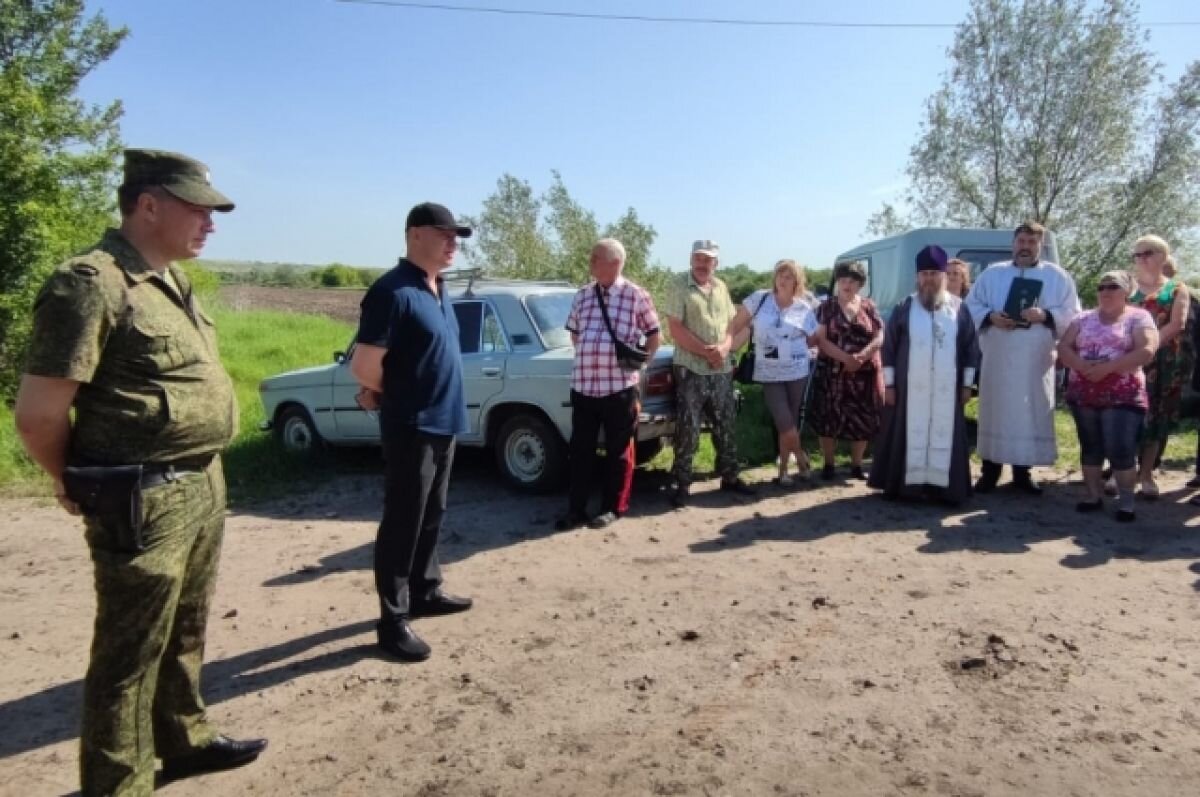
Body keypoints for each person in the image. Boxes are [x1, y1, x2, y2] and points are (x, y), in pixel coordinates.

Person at [14, 149, 266, 795]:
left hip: (200, 483)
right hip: (142, 497)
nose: (211, 222)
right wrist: (71, 479)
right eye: (198, 209)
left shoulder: (171, 280)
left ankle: (184, 740)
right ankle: (117, 784)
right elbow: (39, 415)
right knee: (129, 658)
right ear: (148, 204)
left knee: (185, 629)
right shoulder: (90, 282)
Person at [351, 202, 474, 664]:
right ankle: (392, 621)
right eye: (445, 234)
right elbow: (364, 367)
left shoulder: (438, 288)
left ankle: (426, 590)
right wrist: (396, 395)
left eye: (456, 236)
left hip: (445, 422)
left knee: (432, 514)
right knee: (403, 521)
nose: (453, 243)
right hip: (412, 426)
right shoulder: (392, 291)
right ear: (415, 234)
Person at [965, 221, 1081, 494]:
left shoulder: (1057, 276)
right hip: (999, 357)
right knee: (995, 411)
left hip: (1035, 359)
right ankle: (989, 472)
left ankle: (1022, 473)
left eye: (1032, 242)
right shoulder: (992, 274)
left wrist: (1046, 315)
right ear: (1013, 243)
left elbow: (1074, 314)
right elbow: (970, 307)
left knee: (1029, 412)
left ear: (1041, 245)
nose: (1025, 247)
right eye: (1021, 241)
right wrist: (990, 317)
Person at [556, 239, 661, 531]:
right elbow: (575, 334)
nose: (590, 263)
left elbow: (654, 335)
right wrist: (592, 355)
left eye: (595, 258)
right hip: (584, 386)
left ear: (614, 263)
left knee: (618, 451)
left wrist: (639, 370)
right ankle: (576, 509)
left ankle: (613, 507)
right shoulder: (583, 295)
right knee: (580, 451)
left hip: (619, 388)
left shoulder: (636, 295)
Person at [869, 245, 980, 504]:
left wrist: (967, 385)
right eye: (924, 274)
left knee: (947, 434)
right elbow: (889, 348)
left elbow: (970, 348)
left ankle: (945, 490)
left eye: (934, 273)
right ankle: (907, 488)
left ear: (944, 275)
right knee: (907, 433)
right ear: (917, 277)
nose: (929, 279)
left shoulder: (959, 309)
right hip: (910, 389)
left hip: (947, 388)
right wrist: (890, 385)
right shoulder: (904, 307)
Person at [1057, 271, 1158, 521]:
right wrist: (1081, 366)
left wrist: (1107, 368)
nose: (1105, 291)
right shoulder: (1082, 319)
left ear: (1127, 292)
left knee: (1120, 447)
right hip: (1084, 391)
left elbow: (1147, 350)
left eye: (1113, 286)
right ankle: (1092, 496)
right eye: (1102, 287)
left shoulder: (1139, 317)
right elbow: (1063, 347)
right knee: (1090, 446)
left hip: (1122, 393)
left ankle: (1126, 502)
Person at [665, 239, 756, 507]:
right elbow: (676, 329)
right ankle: (682, 483)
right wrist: (706, 352)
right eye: (699, 258)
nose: (703, 264)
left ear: (716, 263)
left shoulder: (721, 286)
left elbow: (731, 325)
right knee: (688, 427)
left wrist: (725, 347)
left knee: (725, 423)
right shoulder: (678, 285)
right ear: (691, 258)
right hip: (691, 367)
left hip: (721, 368)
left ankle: (730, 476)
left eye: (708, 259)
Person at [727, 259, 818, 486]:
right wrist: (725, 347)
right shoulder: (760, 299)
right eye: (780, 275)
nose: (782, 280)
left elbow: (815, 338)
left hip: (797, 370)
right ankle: (802, 459)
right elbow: (735, 324)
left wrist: (814, 352)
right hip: (769, 372)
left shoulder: (804, 307)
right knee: (784, 420)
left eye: (788, 277)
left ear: (797, 282)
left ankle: (784, 471)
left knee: (789, 421)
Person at [1127, 235, 1190, 498]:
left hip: (1163, 361)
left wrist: (1149, 347)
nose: (1142, 259)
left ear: (1163, 257)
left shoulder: (1177, 289)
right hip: (1128, 360)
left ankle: (1146, 475)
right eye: (1137, 254)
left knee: (1156, 417)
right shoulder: (1127, 286)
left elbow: (1177, 324)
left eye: (1148, 253)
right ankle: (1123, 472)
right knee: (1125, 414)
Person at [812, 260, 885, 480]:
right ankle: (829, 465)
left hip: (864, 375)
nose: (847, 284)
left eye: (852, 280)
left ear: (860, 284)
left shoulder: (869, 306)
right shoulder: (826, 308)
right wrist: (846, 359)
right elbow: (821, 340)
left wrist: (862, 356)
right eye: (843, 280)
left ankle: (856, 466)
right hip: (833, 373)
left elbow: (880, 335)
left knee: (863, 420)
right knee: (828, 419)